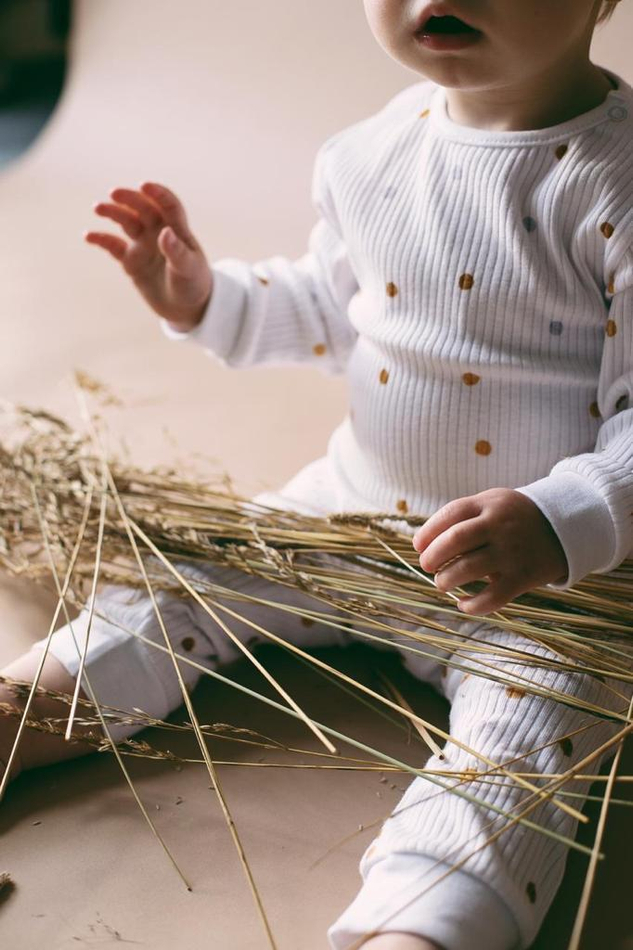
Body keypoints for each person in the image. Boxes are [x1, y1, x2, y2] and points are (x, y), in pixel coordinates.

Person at [2, 0, 632, 947]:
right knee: (182, 585)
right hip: (345, 513)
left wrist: (562, 518)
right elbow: (332, 305)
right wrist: (208, 299)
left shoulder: (615, 185)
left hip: (536, 586)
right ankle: (24, 711)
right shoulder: (367, 154)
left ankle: (419, 926)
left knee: (529, 747)